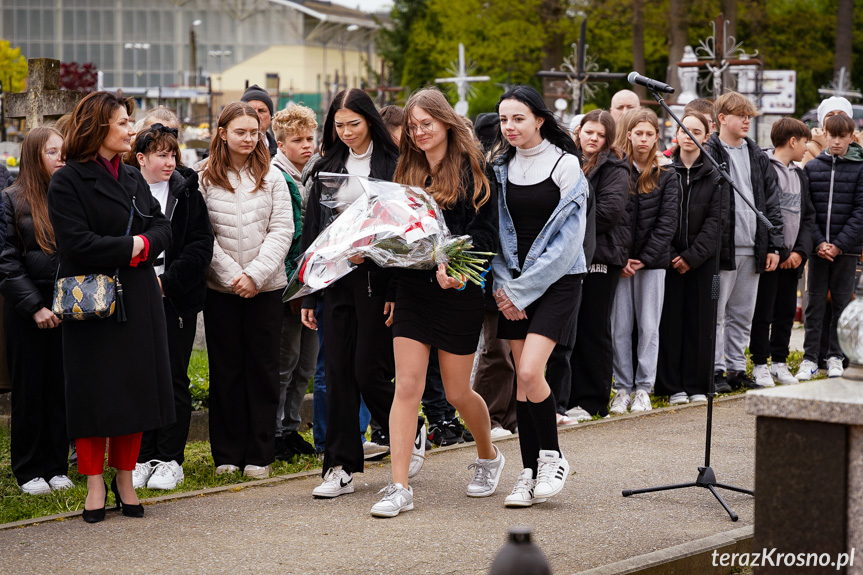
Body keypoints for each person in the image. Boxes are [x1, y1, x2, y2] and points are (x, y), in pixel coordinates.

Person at [370, 88, 500, 518]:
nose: (420, 131)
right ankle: (399, 486)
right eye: (413, 125)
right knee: (407, 385)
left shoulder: (476, 171)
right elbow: (394, 237)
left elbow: (486, 236)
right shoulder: (403, 169)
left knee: (460, 391)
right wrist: (389, 289)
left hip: (458, 289)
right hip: (412, 289)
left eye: (427, 123)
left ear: (446, 122)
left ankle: (488, 457)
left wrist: (458, 269)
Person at [47, 91, 173, 523]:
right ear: (98, 127)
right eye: (122, 123)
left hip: (136, 297)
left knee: (134, 392)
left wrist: (140, 245)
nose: (131, 129)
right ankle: (94, 482)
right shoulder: (67, 180)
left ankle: (124, 478)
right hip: (92, 303)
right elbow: (76, 244)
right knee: (93, 394)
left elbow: (161, 227)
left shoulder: (133, 177)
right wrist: (134, 246)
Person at [299, 89, 423, 498]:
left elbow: (405, 228)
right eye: (339, 125)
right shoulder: (326, 166)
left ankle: (409, 427)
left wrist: (391, 282)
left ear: (369, 120)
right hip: (334, 281)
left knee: (368, 367)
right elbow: (313, 231)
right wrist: (308, 292)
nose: (347, 132)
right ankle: (339, 466)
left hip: (378, 280)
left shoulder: (394, 163)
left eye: (354, 123)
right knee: (335, 371)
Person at [491, 86, 588, 508]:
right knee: (521, 381)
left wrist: (520, 290)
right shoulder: (498, 167)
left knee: (531, 372)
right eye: (504, 120)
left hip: (558, 281)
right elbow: (492, 237)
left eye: (518, 119)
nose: (510, 127)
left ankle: (553, 457)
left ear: (539, 120)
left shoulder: (566, 164)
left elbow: (569, 243)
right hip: (509, 283)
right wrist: (502, 286)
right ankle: (528, 472)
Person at [198, 101, 294, 479]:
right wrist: (231, 275)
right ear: (222, 133)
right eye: (240, 132)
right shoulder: (204, 177)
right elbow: (203, 234)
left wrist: (254, 275)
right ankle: (227, 452)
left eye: (254, 132)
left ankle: (260, 451)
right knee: (226, 370)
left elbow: (282, 229)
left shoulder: (272, 177)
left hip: (265, 288)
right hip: (221, 290)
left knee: (263, 369)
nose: (249, 139)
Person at [125, 123, 213, 490]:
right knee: (141, 376)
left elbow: (199, 245)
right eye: (161, 154)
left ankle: (170, 457)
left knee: (174, 376)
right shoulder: (126, 190)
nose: (169, 161)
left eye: (173, 154)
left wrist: (165, 282)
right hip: (134, 297)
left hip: (173, 298)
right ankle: (143, 455)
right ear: (141, 157)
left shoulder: (187, 192)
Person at [0, 126, 72, 495]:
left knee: (60, 388)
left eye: (63, 151)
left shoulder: (69, 197)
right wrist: (35, 307)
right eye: (52, 152)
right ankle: (29, 469)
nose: (61, 158)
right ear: (33, 156)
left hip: (66, 309)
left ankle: (57, 464)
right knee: (30, 391)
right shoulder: (10, 200)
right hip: (27, 313)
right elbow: (6, 261)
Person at [706, 92, 784, 392]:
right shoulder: (709, 151)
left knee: (742, 314)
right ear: (722, 118)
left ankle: (737, 368)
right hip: (722, 252)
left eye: (749, 115)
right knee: (716, 312)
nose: (746, 120)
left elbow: (771, 202)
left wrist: (774, 244)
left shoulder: (757, 155)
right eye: (741, 115)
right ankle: (715, 369)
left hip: (753, 249)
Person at [560, 110, 630, 420]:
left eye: (600, 135)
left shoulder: (615, 166)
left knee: (594, 326)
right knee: (570, 327)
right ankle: (569, 397)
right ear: (579, 132)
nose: (593, 139)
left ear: (608, 139)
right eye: (589, 132)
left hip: (601, 255)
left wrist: (569, 227)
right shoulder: (567, 160)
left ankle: (593, 400)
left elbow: (608, 212)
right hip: (570, 255)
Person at [655, 113, 728, 402]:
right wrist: (673, 254)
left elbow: (717, 221)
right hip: (669, 260)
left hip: (703, 262)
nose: (688, 135)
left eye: (696, 130)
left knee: (702, 322)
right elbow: (660, 217)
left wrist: (692, 256)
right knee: (671, 322)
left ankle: (698, 384)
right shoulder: (663, 169)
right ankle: (672, 386)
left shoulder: (716, 174)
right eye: (683, 129)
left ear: (707, 136)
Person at [609, 109, 678, 408]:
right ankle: (622, 387)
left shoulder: (666, 174)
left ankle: (643, 388)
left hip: (652, 263)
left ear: (656, 137)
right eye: (639, 133)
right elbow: (613, 218)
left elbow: (667, 222)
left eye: (649, 134)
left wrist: (645, 259)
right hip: (620, 262)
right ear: (629, 135)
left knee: (649, 326)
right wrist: (621, 258)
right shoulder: (616, 170)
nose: (644, 139)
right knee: (620, 327)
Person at [747, 118, 815, 386]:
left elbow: (808, 217)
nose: (807, 148)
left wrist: (799, 252)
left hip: (792, 259)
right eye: (805, 142)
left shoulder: (801, 175)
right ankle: (760, 363)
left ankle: (779, 362)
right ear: (793, 141)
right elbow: (763, 213)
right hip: (770, 258)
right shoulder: (765, 169)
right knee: (763, 311)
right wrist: (778, 251)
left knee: (786, 311)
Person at [797, 113, 863, 380]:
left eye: (842, 136)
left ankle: (835, 356)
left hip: (845, 251)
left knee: (841, 303)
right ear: (824, 134)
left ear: (851, 137)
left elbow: (860, 212)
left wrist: (838, 244)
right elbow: (807, 211)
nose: (836, 141)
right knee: (814, 304)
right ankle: (809, 358)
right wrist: (819, 243)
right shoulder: (813, 168)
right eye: (831, 135)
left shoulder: (860, 169)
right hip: (817, 249)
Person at [271, 103, 318, 460]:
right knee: (285, 362)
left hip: (316, 282)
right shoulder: (277, 176)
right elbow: (286, 236)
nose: (307, 145)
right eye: (297, 140)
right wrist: (294, 287)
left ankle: (291, 426)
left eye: (310, 138)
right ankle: (275, 433)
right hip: (290, 284)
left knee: (306, 363)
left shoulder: (314, 175)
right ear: (280, 142)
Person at [471, 112, 517, 438]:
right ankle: (489, 418)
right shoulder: (486, 172)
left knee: (514, 349)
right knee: (495, 348)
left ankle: (510, 416)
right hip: (490, 271)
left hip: (515, 270)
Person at [802, 96, 854, 166]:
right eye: (830, 115)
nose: (836, 118)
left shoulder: (859, 145)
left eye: (841, 115)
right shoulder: (810, 148)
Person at [241, 84, 278, 157]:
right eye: (250, 110)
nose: (256, 115)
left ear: (271, 118)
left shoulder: (280, 153)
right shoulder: (231, 152)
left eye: (262, 111)